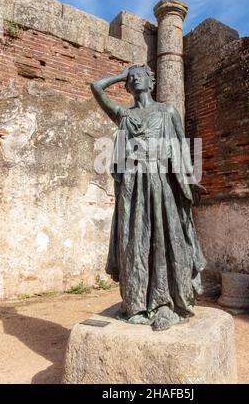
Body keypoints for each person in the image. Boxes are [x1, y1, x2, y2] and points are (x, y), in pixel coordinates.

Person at [91, 64, 206, 331]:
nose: (134, 78)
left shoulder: (167, 111)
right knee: (135, 242)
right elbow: (96, 87)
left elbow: (181, 146)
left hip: (162, 182)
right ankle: (136, 304)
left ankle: (165, 303)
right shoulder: (124, 114)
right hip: (133, 185)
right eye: (130, 78)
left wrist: (190, 181)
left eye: (139, 74)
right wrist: (122, 74)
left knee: (165, 240)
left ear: (151, 81)